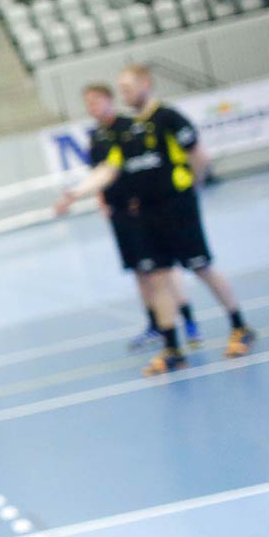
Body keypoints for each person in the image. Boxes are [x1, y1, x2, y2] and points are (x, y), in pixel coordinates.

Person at [55, 64, 254, 375]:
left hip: (178, 207)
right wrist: (76, 193)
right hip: (147, 213)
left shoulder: (168, 118)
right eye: (121, 89)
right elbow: (109, 170)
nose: (125, 94)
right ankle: (173, 349)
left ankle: (239, 326)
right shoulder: (126, 131)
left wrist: (193, 186)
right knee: (159, 277)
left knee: (201, 266)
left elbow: (200, 155)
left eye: (128, 87)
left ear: (146, 84)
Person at [66, 84, 201, 350]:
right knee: (140, 271)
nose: (92, 107)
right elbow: (101, 174)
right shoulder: (96, 137)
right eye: (88, 103)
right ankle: (155, 325)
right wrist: (102, 200)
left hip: (143, 209)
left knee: (163, 268)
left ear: (109, 100)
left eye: (96, 101)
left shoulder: (130, 126)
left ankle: (187, 320)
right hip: (120, 214)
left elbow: (136, 168)